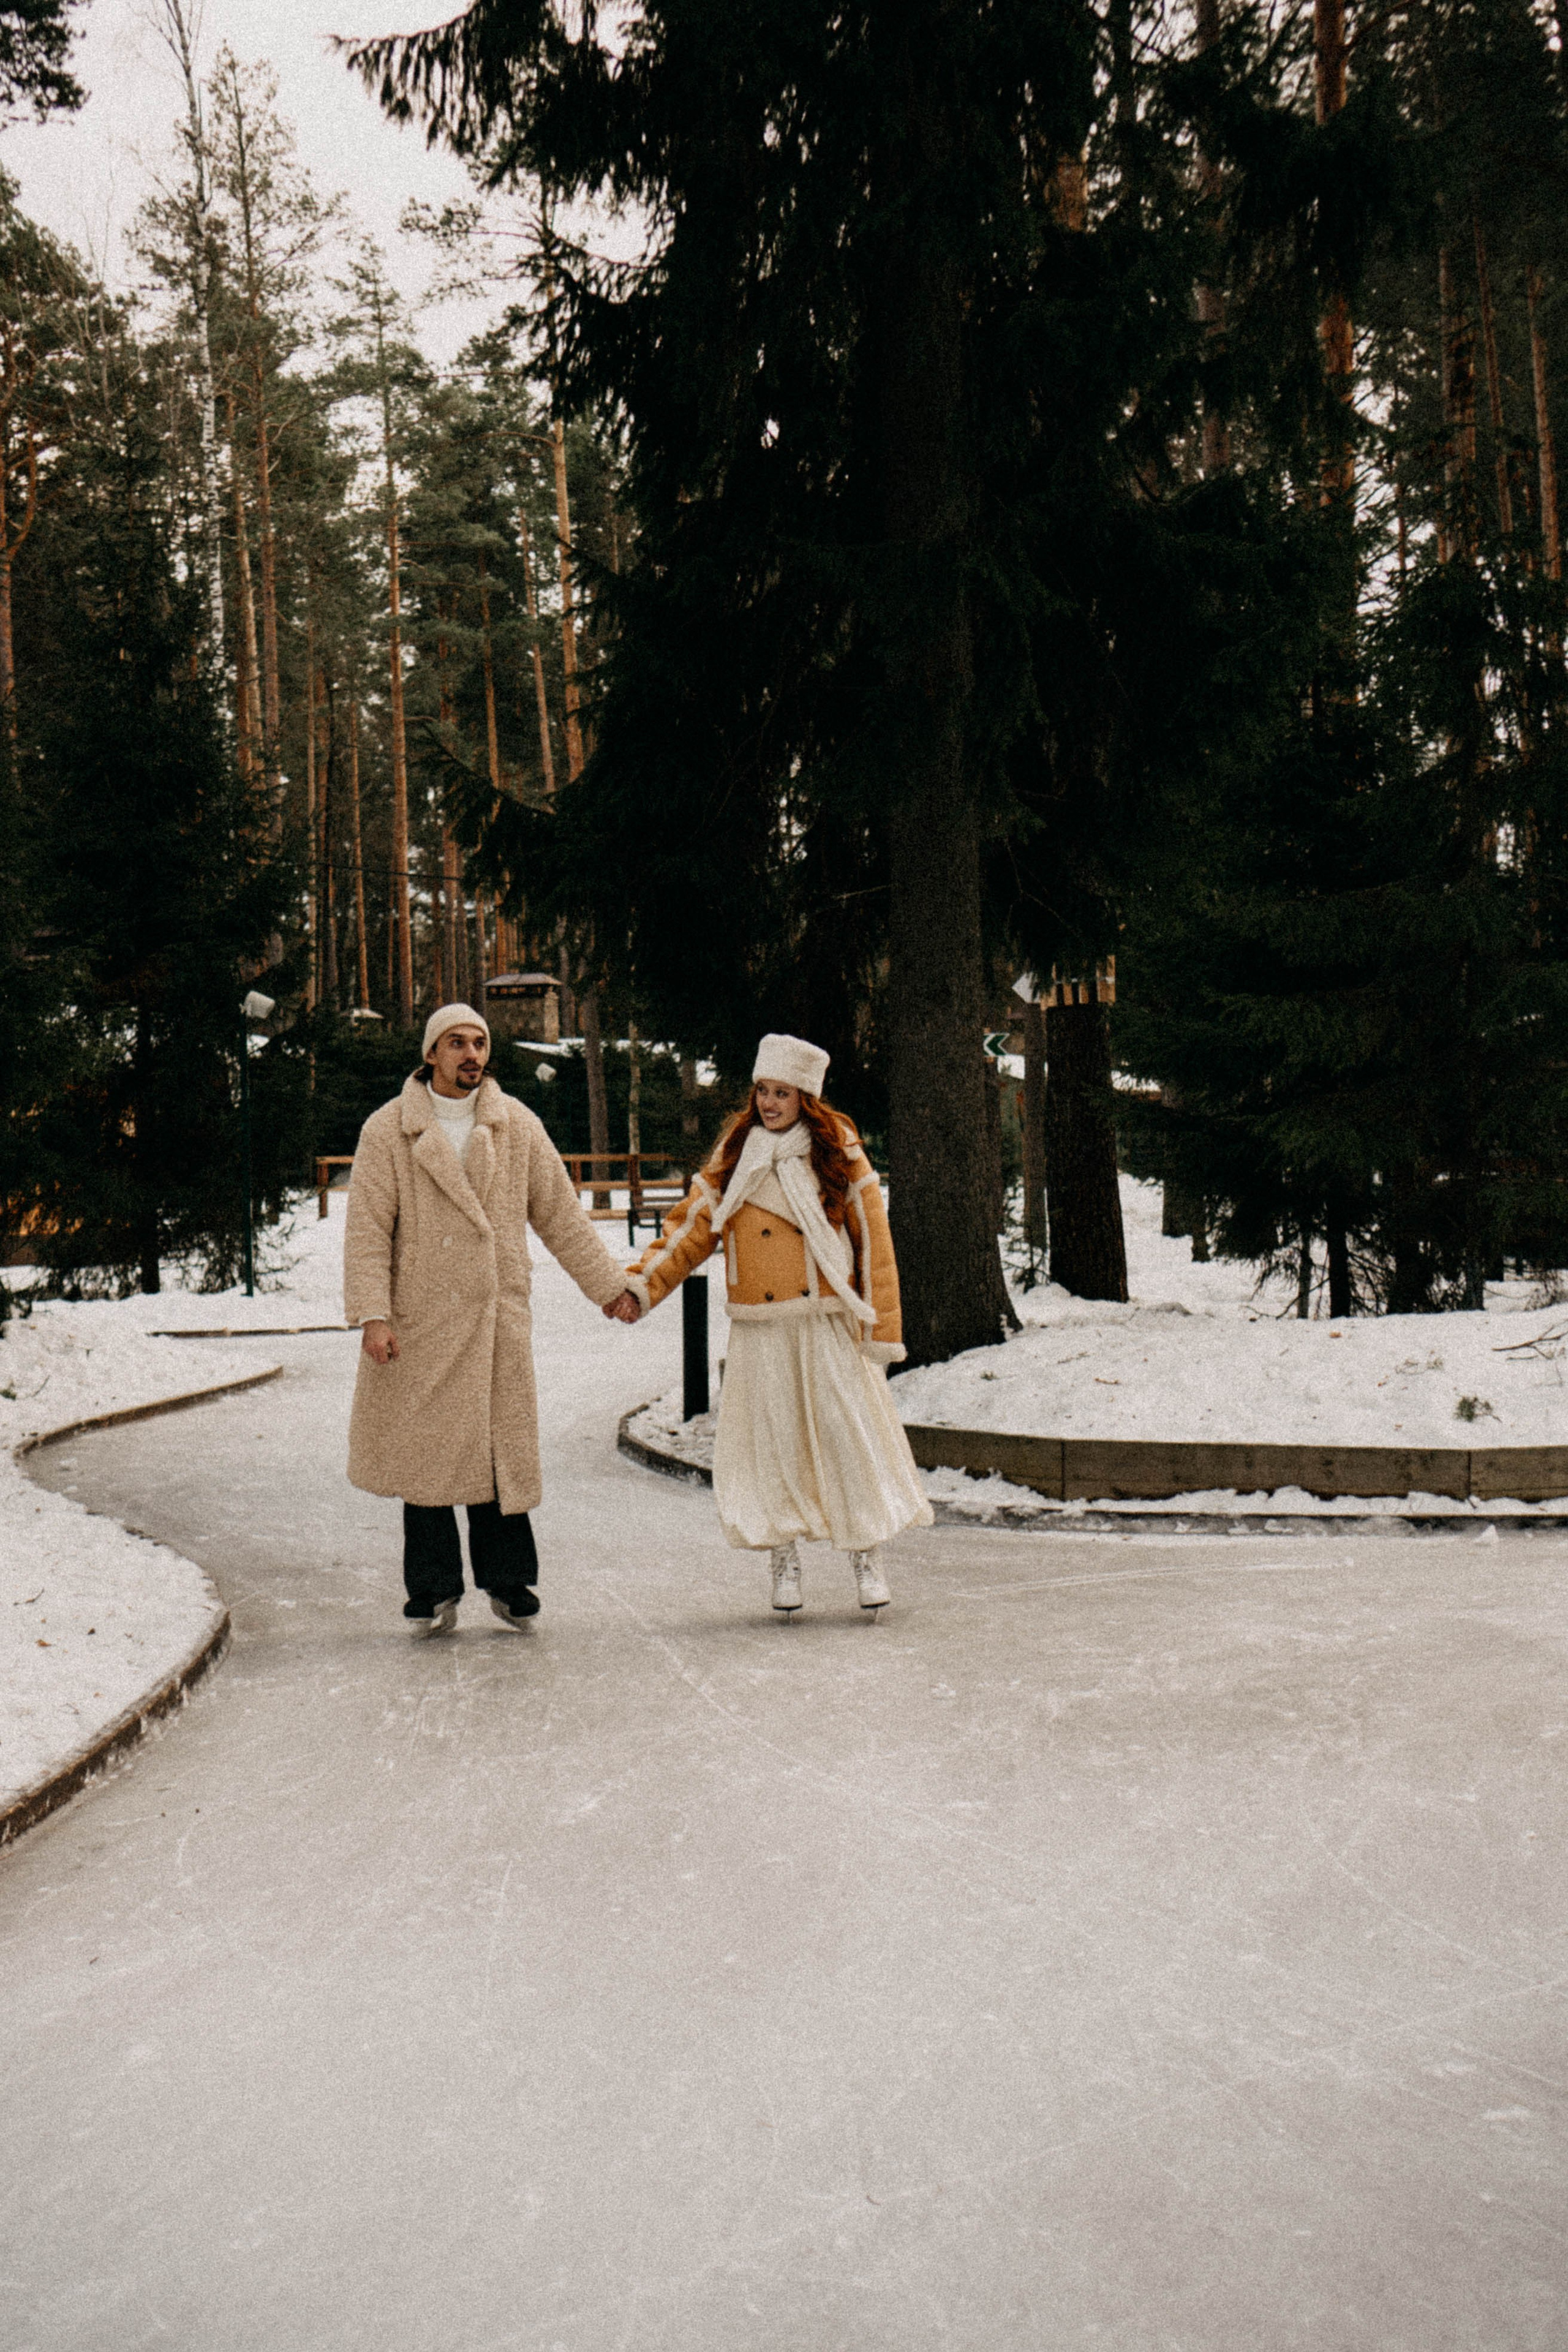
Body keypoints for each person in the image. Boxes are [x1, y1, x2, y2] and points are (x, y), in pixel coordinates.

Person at [606, 1033, 932, 1616]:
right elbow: (689, 1229)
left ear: (806, 1097)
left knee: (846, 1439)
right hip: (760, 1328)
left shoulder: (838, 1152)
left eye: (783, 1093)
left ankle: (866, 1555)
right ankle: (782, 1559)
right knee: (771, 1445)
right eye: (762, 1091)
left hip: (824, 1322)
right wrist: (641, 1286)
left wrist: (882, 1327)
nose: (770, 1104)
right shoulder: (736, 1155)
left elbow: (874, 1243)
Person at [344, 1003, 639, 1635]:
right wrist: (373, 1314)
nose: (470, 1054)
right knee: (426, 1460)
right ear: (431, 1054)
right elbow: (367, 1231)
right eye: (456, 1043)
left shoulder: (517, 1127)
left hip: (494, 1318)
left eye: (479, 1042)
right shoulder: (388, 1130)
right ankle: (431, 1589)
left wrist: (608, 1288)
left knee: (495, 1450)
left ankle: (509, 1581)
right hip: (420, 1322)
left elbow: (561, 1216)